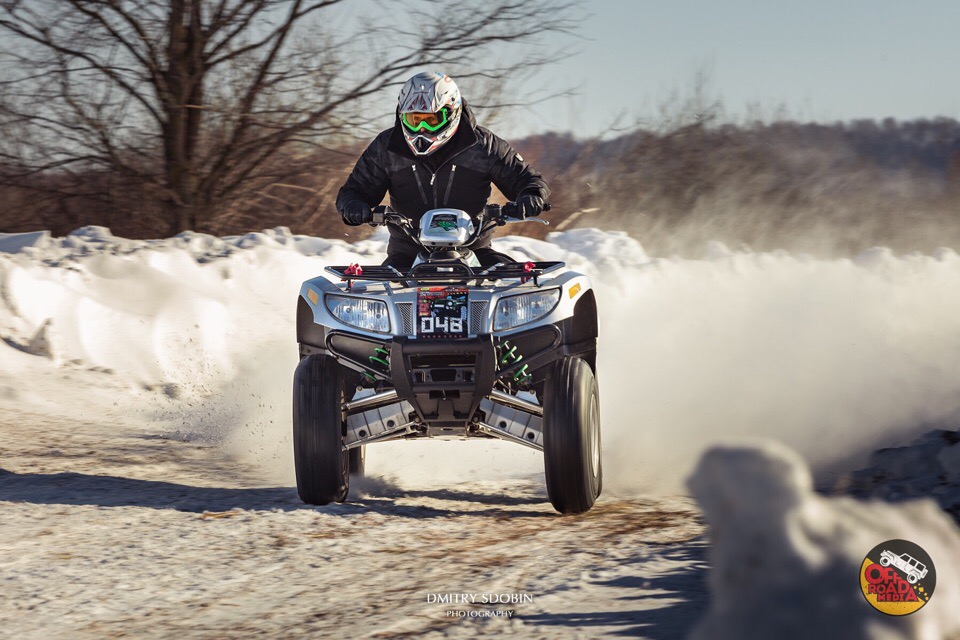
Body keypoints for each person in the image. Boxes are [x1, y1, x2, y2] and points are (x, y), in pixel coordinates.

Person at [336, 71, 550, 270]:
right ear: (402, 116)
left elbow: (527, 178)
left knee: (517, 285)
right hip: (407, 254)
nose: (421, 129)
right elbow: (354, 190)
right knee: (371, 300)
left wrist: (531, 196)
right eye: (414, 120)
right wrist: (354, 206)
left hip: (474, 248)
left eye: (431, 120)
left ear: (452, 113)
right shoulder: (387, 146)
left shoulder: (484, 145)